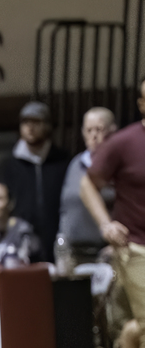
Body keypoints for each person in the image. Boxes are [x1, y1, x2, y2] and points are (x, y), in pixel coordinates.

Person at [81, 84, 145, 348]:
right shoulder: (124, 142)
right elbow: (87, 183)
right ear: (141, 104)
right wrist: (105, 223)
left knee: (135, 330)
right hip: (135, 247)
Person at [0, 100, 69, 263]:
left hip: (57, 237)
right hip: (20, 240)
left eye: (36, 122)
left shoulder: (62, 160)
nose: (30, 127)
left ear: (48, 126)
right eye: (25, 122)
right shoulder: (8, 165)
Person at [60, 107, 116, 266]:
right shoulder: (76, 164)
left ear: (113, 131)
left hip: (106, 252)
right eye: (89, 130)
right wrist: (61, 238)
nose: (94, 135)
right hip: (73, 252)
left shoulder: (120, 165)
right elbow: (66, 205)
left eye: (99, 129)